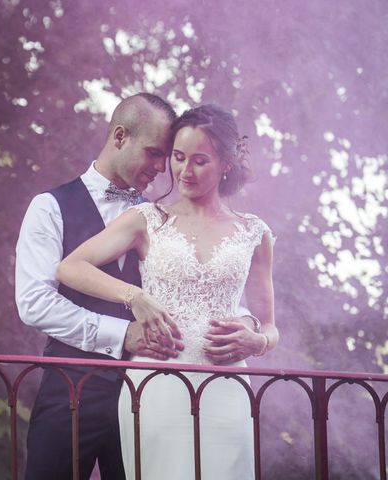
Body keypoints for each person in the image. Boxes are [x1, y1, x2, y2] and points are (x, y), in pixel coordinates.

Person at [56, 104, 279, 479]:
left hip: (227, 390)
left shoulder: (254, 233)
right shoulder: (147, 219)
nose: (184, 171)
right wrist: (135, 296)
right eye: (178, 157)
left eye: (199, 160)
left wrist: (257, 342)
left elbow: (270, 327)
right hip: (156, 387)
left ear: (226, 163)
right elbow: (70, 267)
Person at [15, 93, 183, 480]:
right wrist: (123, 333)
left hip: (147, 394)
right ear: (120, 136)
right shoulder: (49, 206)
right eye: (154, 152)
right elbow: (34, 303)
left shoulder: (161, 220)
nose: (162, 168)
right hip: (69, 388)